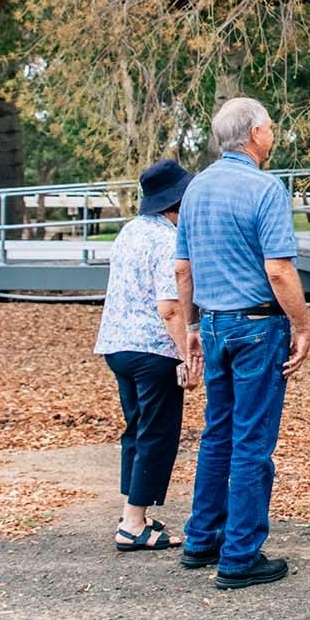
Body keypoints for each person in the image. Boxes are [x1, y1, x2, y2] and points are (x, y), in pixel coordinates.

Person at [174, 97, 310, 590]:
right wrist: (302, 325)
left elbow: (183, 267)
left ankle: (201, 538)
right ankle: (239, 554)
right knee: (252, 439)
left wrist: (192, 326)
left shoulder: (195, 191)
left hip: (213, 323)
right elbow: (278, 268)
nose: (273, 132)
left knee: (218, 433)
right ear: (255, 134)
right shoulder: (265, 188)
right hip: (257, 326)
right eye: (270, 126)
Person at [96, 159, 200, 551]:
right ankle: (133, 524)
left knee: (136, 431)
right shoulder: (168, 241)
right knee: (158, 434)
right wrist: (187, 355)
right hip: (152, 349)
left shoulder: (129, 232)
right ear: (177, 202)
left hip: (117, 345)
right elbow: (169, 308)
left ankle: (130, 512)